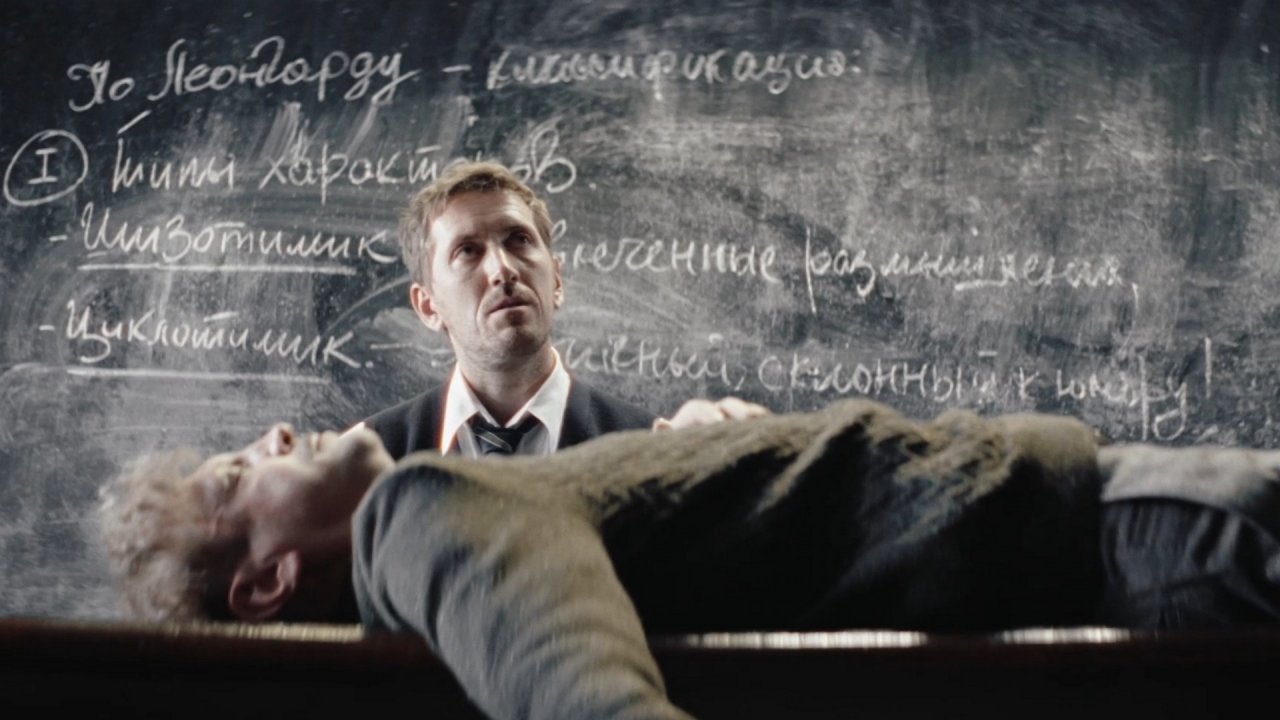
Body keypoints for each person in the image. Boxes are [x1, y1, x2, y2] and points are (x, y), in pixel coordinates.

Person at [102, 398, 1134, 719]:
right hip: (1101, 524)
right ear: (268, 582)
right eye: (238, 474)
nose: (277, 433)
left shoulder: (418, 580)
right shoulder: (413, 512)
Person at [361, 160, 758, 459]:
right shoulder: (366, 465)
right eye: (467, 251)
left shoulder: (653, 451)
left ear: (556, 281)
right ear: (428, 306)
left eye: (518, 240)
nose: (503, 269)